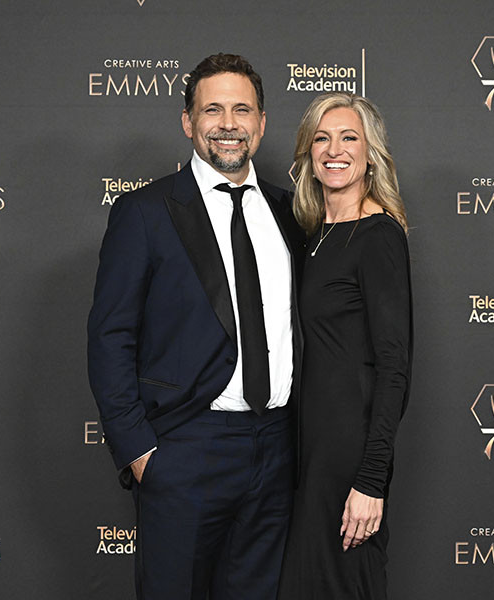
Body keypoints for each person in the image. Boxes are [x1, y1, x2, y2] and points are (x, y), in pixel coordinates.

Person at [87, 53, 304, 600]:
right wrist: (141, 453)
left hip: (277, 448)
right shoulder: (145, 211)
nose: (228, 123)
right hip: (185, 446)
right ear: (188, 122)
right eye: (212, 110)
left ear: (261, 123)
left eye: (242, 110)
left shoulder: (292, 213)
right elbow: (110, 337)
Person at [277, 93, 412, 600]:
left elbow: (395, 365)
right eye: (322, 138)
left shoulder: (379, 235)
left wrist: (372, 479)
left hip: (349, 454)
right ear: (308, 152)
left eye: (349, 138)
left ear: (370, 153)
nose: (335, 150)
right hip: (307, 450)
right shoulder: (313, 233)